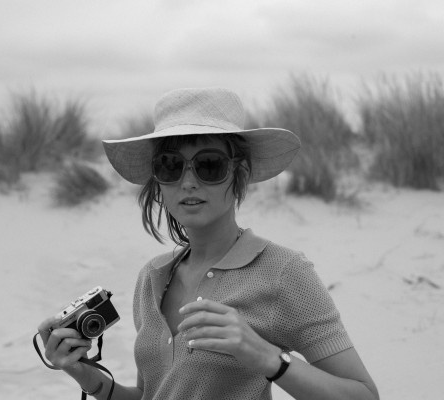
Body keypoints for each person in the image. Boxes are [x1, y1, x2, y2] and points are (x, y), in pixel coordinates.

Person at [37, 87, 379, 400]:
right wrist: (86, 375)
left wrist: (268, 358)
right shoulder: (152, 277)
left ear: (239, 173)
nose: (188, 182)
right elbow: (153, 394)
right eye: (170, 165)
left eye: (209, 165)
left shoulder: (283, 272)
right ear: (158, 180)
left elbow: (364, 395)